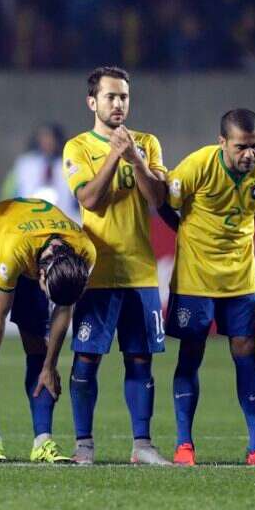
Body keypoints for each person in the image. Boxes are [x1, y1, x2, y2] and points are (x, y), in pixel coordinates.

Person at [163, 108, 255, 466]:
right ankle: (184, 445)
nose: (250, 154)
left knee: (245, 349)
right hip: (195, 277)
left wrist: (238, 230)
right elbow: (166, 205)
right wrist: (190, 233)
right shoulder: (196, 166)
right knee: (192, 351)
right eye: (241, 147)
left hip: (240, 276)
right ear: (222, 142)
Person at [61, 66, 170, 465]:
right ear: (92, 102)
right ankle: (84, 445)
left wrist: (135, 159)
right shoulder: (77, 147)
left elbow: (158, 198)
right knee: (87, 359)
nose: (118, 103)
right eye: (110, 96)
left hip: (140, 271)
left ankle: (142, 445)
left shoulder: (148, 143)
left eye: (124, 96)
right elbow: (89, 199)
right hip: (97, 272)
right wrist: (114, 156)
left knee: (140, 359)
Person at [0, 198, 95, 462]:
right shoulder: (14, 249)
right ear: (42, 276)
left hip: (32, 249)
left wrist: (50, 365)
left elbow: (64, 309)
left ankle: (42, 442)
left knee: (38, 345)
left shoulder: (85, 251)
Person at [1, 124, 80, 222]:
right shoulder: (25, 163)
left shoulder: (69, 163)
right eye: (43, 138)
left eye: (50, 138)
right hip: (28, 219)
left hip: (65, 218)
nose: (46, 142)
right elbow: (9, 192)